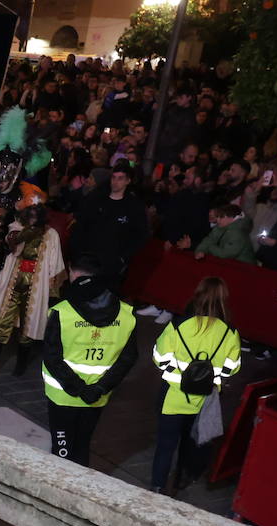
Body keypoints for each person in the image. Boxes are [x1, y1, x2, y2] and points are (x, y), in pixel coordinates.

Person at [41, 257, 139, 467]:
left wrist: (76, 387)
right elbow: (128, 358)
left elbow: (52, 356)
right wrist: (100, 387)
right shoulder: (126, 314)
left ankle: (57, 495)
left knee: (61, 451)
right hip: (96, 397)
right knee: (82, 446)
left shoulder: (62, 312)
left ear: (73, 274)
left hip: (63, 396)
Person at [150, 278, 241, 493]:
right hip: (205, 399)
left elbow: (159, 358)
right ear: (223, 301)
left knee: (165, 445)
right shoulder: (230, 333)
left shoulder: (179, 325)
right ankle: (182, 479)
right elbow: (232, 368)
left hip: (173, 397)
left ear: (197, 295)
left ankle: (157, 487)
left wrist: (175, 372)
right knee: (191, 443)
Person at [0, 186, 66, 377]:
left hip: (36, 285)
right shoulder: (18, 228)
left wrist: (51, 293)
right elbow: (12, 244)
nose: (33, 215)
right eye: (30, 212)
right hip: (14, 283)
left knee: (29, 325)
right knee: (2, 321)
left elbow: (55, 265)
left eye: (36, 212)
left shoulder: (51, 235)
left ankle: (21, 365)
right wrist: (26, 232)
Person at [68, 162, 148, 289]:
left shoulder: (133, 207)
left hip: (111, 264)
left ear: (128, 181)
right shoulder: (96, 198)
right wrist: (76, 252)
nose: (115, 181)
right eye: (113, 177)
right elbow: (81, 224)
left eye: (120, 178)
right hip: (87, 258)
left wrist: (123, 258)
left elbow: (141, 235)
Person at [192, 204, 256, 264]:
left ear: (232, 218)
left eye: (221, 217)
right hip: (229, 263)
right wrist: (200, 251)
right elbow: (209, 239)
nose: (217, 220)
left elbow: (226, 254)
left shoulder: (238, 232)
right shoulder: (221, 226)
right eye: (217, 217)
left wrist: (209, 247)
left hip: (244, 267)